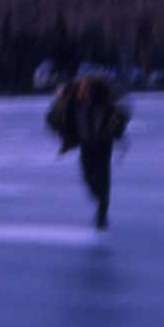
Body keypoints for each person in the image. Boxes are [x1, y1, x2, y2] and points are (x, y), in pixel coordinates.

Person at [46, 73, 130, 229]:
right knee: (87, 176)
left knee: (103, 176)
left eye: (88, 90)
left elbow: (121, 113)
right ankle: (100, 200)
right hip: (85, 144)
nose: (84, 92)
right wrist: (60, 129)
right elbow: (54, 117)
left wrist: (115, 127)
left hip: (103, 143)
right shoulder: (71, 105)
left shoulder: (103, 103)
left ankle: (102, 214)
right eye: (82, 90)